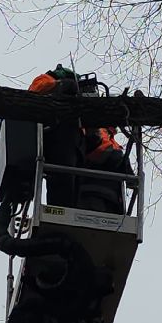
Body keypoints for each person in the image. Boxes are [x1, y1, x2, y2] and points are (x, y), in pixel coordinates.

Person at [27, 66, 132, 213]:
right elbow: (35, 91)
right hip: (57, 140)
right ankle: (61, 210)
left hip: (81, 162)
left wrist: (122, 162)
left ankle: (64, 209)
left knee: (70, 176)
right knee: (64, 179)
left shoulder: (98, 127)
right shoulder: (48, 80)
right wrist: (60, 86)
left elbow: (99, 147)